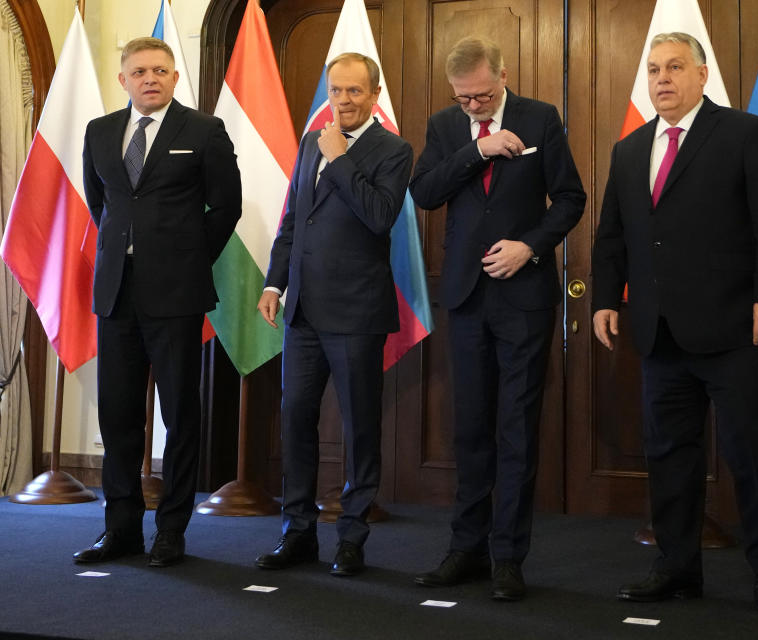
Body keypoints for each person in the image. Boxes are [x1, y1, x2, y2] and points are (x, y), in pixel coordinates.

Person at [592, 32, 758, 614]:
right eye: (654, 69)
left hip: (736, 328)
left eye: (675, 67)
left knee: (754, 455)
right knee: (668, 457)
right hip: (659, 333)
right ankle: (678, 566)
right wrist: (607, 299)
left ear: (702, 75)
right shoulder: (630, 149)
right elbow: (613, 235)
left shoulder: (744, 133)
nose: (662, 79)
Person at [410, 37, 585, 601]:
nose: (473, 107)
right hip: (464, 299)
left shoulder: (540, 117)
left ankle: (508, 556)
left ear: (502, 76)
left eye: (482, 96)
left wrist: (529, 248)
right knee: (470, 428)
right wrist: (478, 151)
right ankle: (466, 549)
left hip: (523, 299)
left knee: (515, 428)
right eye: (463, 99)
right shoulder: (445, 126)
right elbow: (424, 191)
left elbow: (570, 199)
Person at [76, 37, 241, 567]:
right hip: (116, 295)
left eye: (161, 71)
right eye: (140, 71)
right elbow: (99, 202)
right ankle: (120, 528)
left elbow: (227, 207)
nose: (151, 79)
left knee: (180, 414)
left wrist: (189, 259)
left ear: (174, 78)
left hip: (175, 295)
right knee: (118, 416)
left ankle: (172, 530)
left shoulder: (203, 131)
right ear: (123, 79)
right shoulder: (100, 132)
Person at [254, 53, 413, 577]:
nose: (343, 101)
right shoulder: (309, 142)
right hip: (301, 311)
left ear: (374, 94)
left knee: (359, 428)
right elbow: (294, 219)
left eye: (354, 92)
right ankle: (297, 532)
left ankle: (351, 539)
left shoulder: (393, 149)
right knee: (296, 420)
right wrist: (275, 282)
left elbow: (379, 217)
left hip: (355, 313)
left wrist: (341, 158)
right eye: (336, 91)